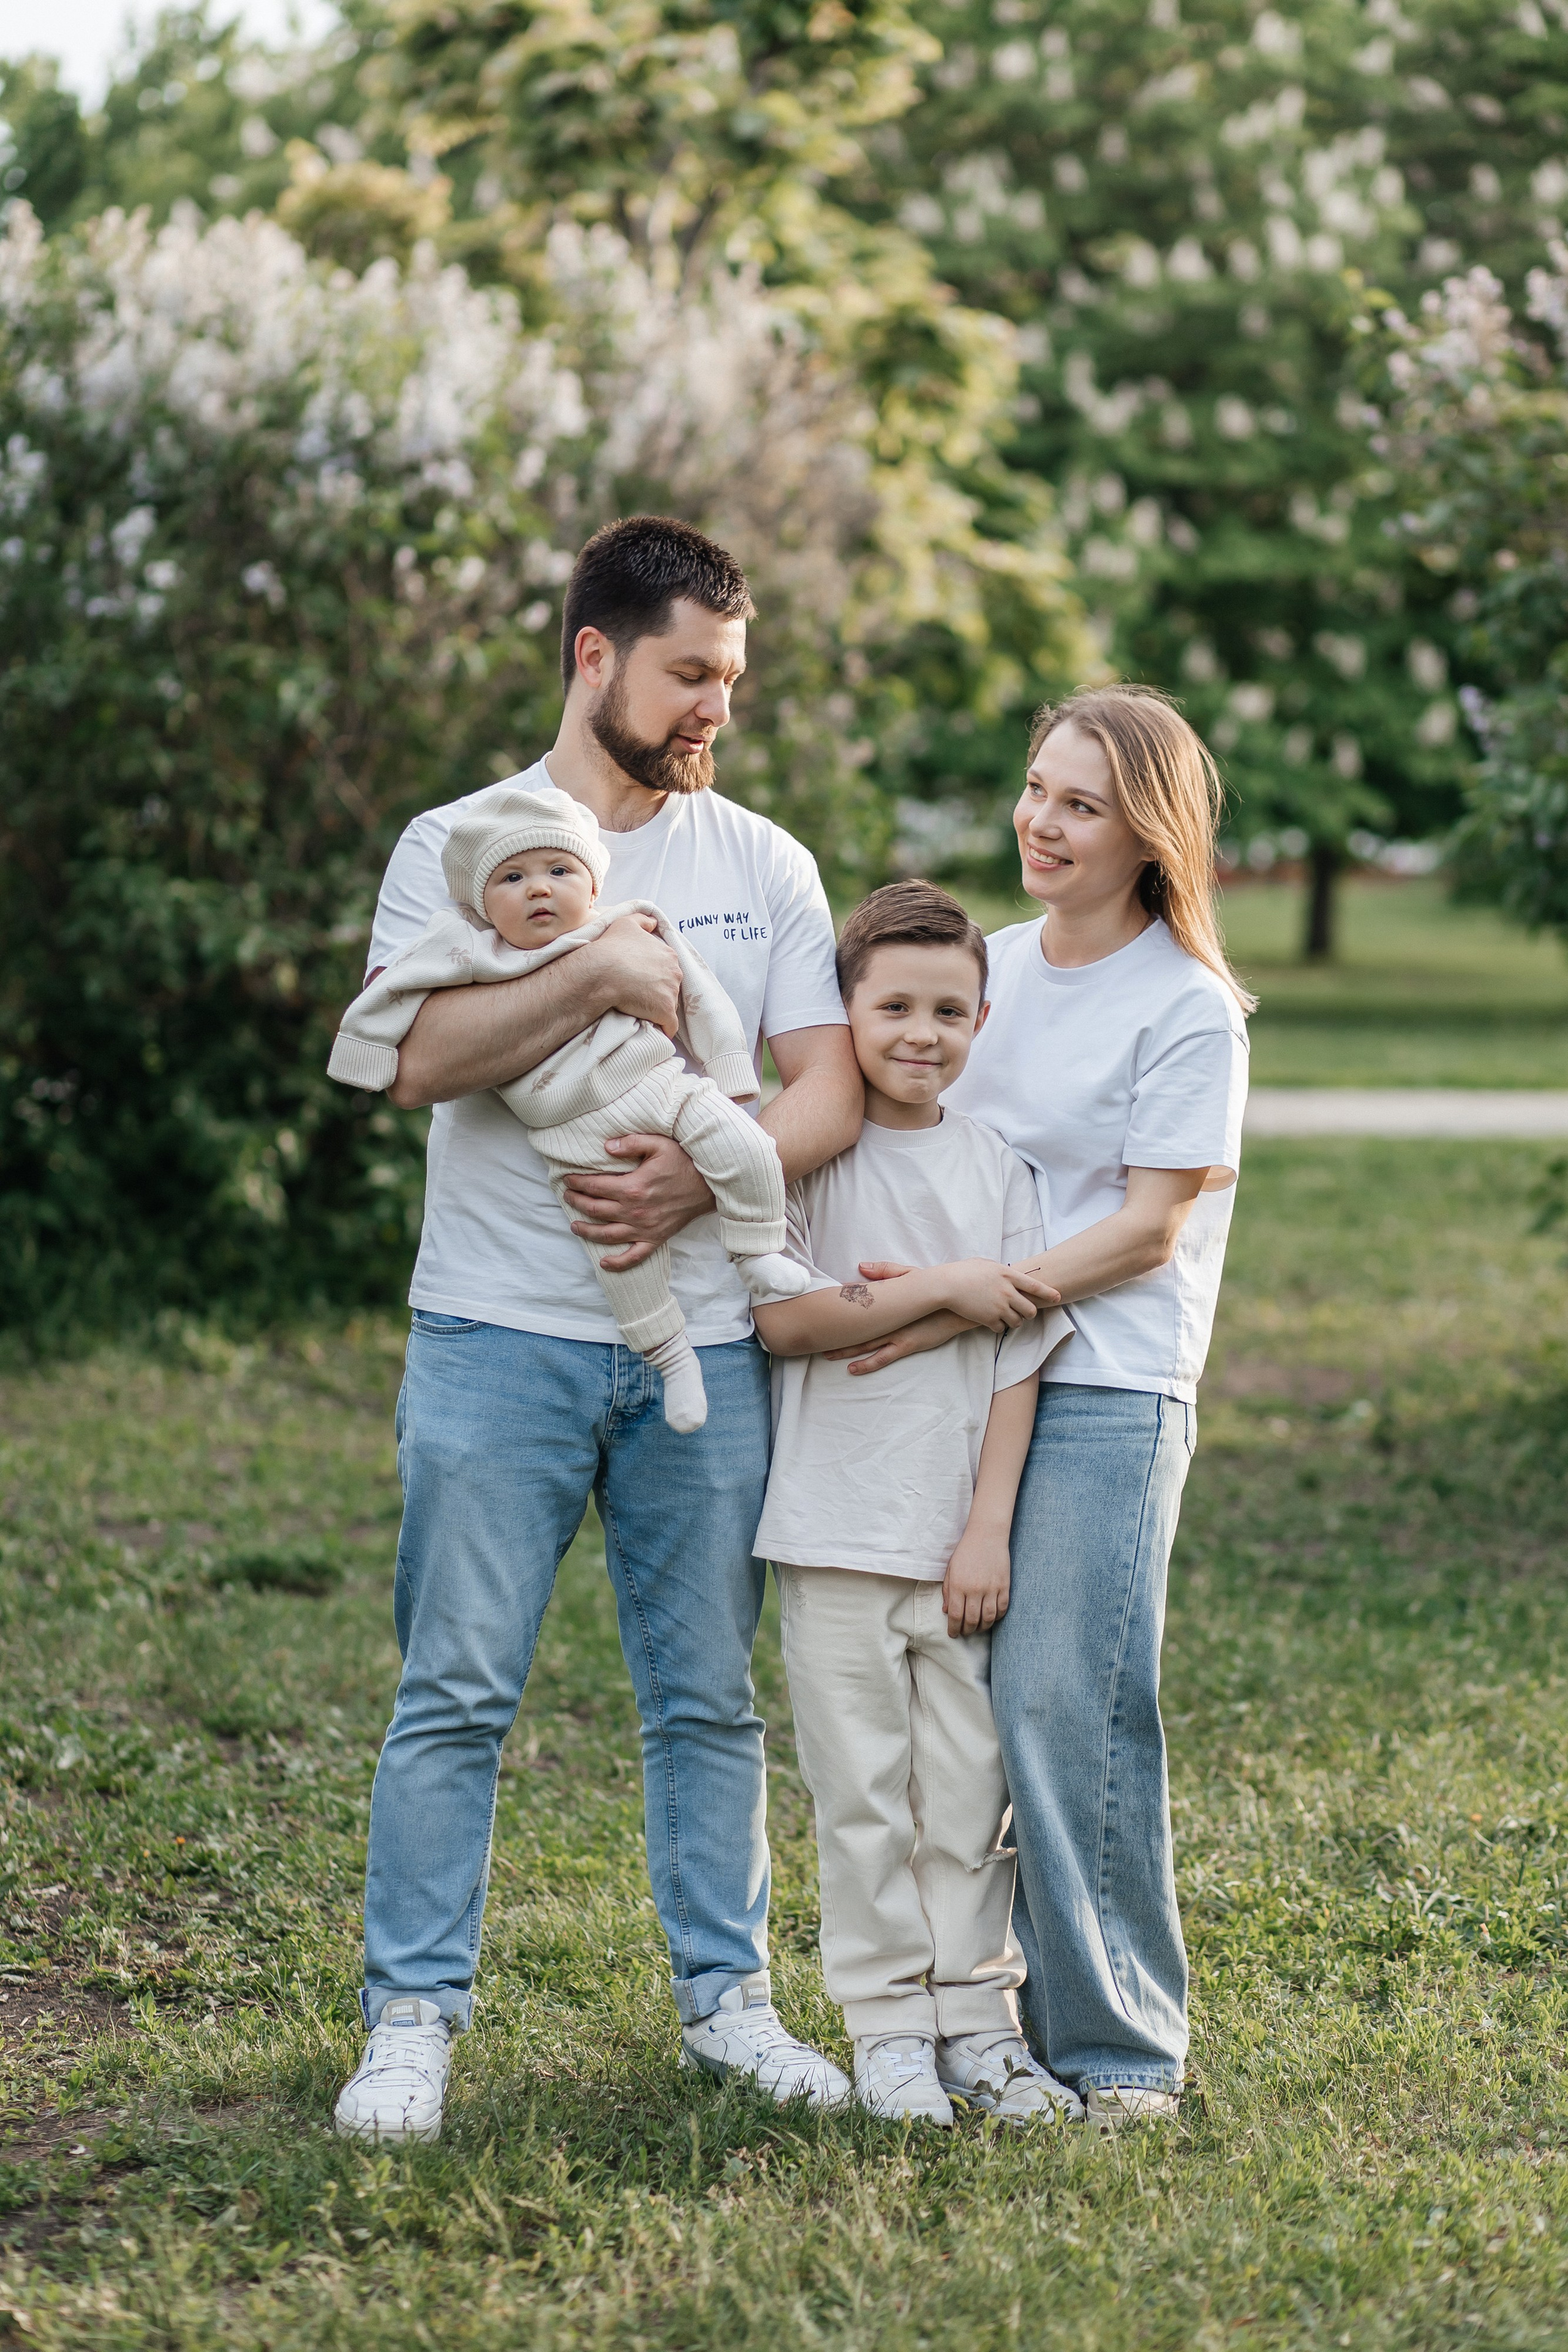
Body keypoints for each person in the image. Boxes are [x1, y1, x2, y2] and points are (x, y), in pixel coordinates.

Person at [333, 517, 863, 2145]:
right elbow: (412, 1060)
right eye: (692, 674)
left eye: (733, 678)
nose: (718, 707)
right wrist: (601, 970)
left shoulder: (762, 861)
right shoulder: (461, 844)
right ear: (594, 658)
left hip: (700, 1340)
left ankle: (732, 2006)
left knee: (708, 1698)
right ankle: (410, 2024)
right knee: (457, 1691)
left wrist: (710, 1191)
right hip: (498, 1336)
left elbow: (828, 1085)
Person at [830, 687, 1252, 2133]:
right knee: (953, 1723)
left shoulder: (1185, 1005)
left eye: (1077, 800)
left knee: (1065, 1708)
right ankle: (971, 2018)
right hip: (952, 1388)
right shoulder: (984, 971)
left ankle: (1122, 2048)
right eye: (1034, 786)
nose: (1040, 818)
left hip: (1106, 1385)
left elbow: (1141, 1231)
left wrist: (955, 1290)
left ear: (1146, 831)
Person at [750, 881, 1077, 2128]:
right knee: (860, 1798)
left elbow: (1015, 1360)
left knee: (965, 1794)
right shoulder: (810, 1164)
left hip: (953, 1548)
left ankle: (974, 2026)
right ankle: (885, 2028)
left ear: (980, 1020)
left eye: (947, 1009)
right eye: (892, 1006)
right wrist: (945, 1282)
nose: (919, 1032)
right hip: (829, 1537)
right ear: (845, 1013)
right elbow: (784, 1322)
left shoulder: (998, 1167)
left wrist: (987, 1526)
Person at [327, 782, 808, 1433]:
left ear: (590, 881)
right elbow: (400, 1002)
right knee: (625, 1267)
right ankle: (671, 1361)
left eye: (559, 871)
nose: (539, 889)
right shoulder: (472, 950)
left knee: (746, 1144)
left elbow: (699, 992)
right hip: (570, 1147)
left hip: (664, 1088)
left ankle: (756, 1255)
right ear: (478, 903)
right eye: (513, 877)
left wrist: (725, 1071)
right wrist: (362, 1052)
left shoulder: (630, 916)